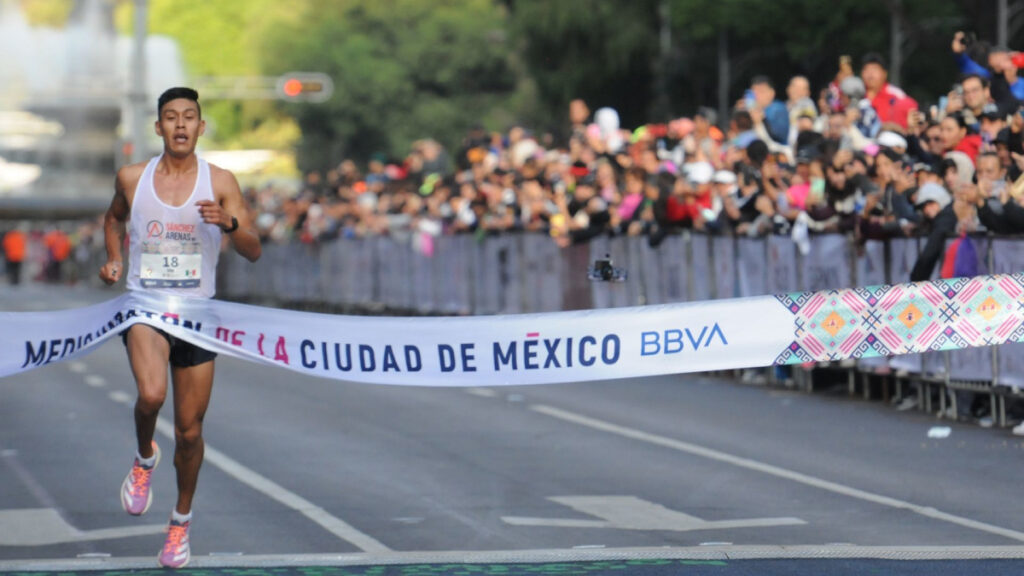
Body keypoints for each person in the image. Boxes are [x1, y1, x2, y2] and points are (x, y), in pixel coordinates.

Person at [99, 87, 261, 568]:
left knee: (190, 432)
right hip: (146, 307)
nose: (181, 125)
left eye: (189, 116)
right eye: (171, 117)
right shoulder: (132, 177)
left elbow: (253, 250)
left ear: (201, 126)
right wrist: (113, 258)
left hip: (197, 315)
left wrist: (230, 223)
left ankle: (179, 523)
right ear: (159, 128)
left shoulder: (221, 181)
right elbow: (112, 220)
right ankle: (145, 455)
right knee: (152, 396)